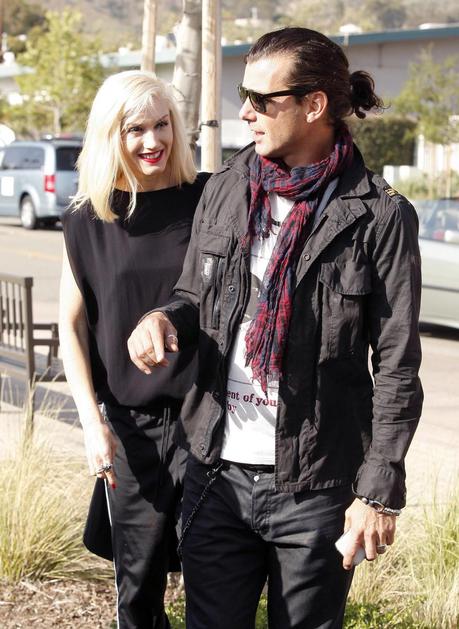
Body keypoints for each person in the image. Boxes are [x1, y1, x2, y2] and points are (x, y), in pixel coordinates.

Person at [128, 27, 423, 629]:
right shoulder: (226, 188)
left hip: (317, 490)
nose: (246, 112)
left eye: (262, 100)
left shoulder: (380, 216)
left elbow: (397, 365)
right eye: (245, 96)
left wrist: (377, 492)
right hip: (216, 476)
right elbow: (193, 295)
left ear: (314, 105)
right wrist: (163, 319)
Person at [58, 70, 209, 629]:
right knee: (138, 588)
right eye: (135, 129)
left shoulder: (207, 199)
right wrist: (91, 424)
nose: (153, 141)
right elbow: (71, 325)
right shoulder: (86, 219)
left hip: (209, 418)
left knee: (214, 578)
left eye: (162, 124)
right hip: (130, 427)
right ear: (110, 135)